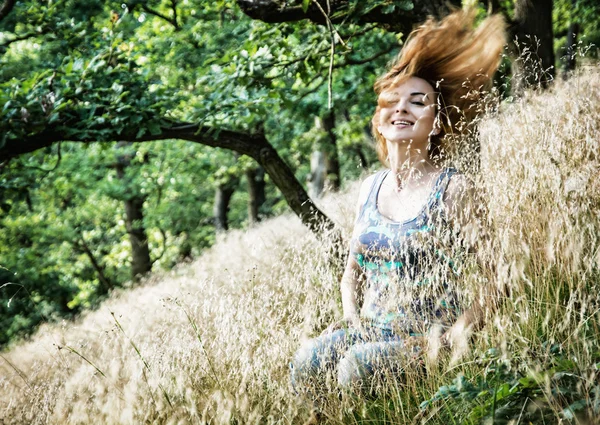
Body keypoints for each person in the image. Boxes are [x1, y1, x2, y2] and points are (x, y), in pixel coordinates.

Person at [290, 9, 506, 397]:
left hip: (425, 339)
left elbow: (497, 276)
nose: (402, 108)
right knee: (309, 360)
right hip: (371, 330)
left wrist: (461, 332)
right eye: (393, 100)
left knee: (355, 367)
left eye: (418, 102)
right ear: (379, 119)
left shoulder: (454, 189)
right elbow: (352, 270)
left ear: (437, 123)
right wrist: (350, 318)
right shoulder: (369, 189)